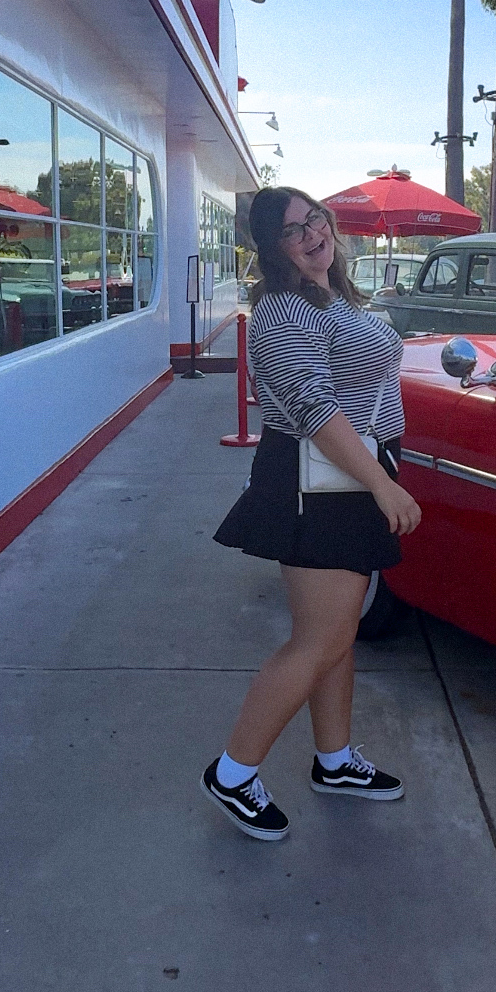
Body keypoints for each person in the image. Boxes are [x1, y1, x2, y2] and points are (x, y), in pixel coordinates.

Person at [206, 187, 421, 841]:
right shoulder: (281, 311)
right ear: (272, 249)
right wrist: (383, 487)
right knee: (317, 639)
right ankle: (233, 773)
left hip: (348, 477)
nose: (311, 234)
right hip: (319, 483)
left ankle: (334, 761)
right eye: (292, 230)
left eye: (314, 219)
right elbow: (311, 408)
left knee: (338, 633)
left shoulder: (336, 298)